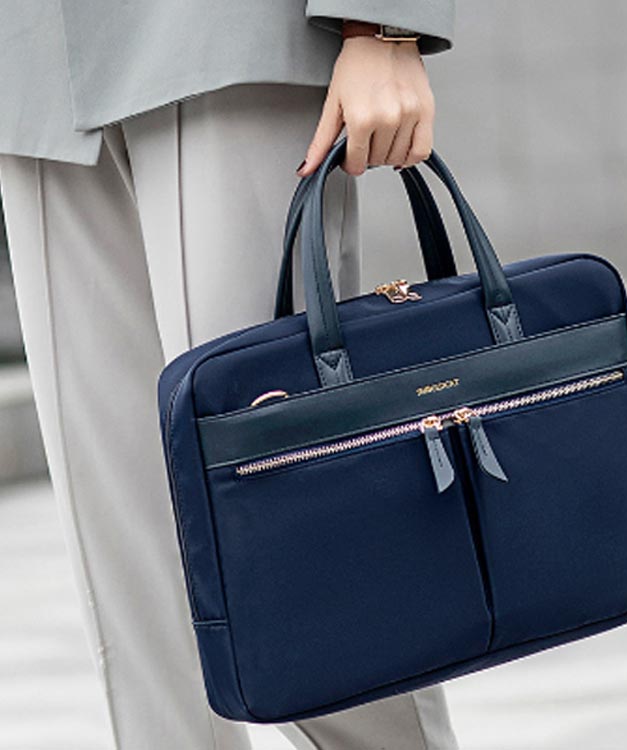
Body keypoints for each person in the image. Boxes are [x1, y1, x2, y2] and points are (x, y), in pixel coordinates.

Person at [0, 3, 460, 750]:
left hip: (227, 36)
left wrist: (383, 24)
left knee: (290, 531)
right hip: (31, 64)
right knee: (135, 597)